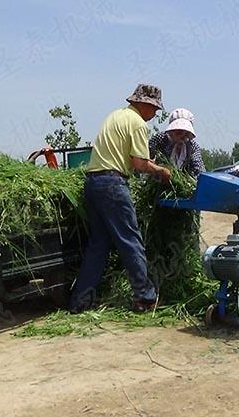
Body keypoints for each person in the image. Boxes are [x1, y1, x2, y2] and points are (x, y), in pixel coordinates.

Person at [70, 84, 171, 313]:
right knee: (130, 240)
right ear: (145, 104)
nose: (154, 114)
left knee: (99, 244)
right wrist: (161, 171)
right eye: (154, 109)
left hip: (93, 183)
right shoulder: (137, 124)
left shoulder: (115, 116)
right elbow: (139, 164)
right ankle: (145, 297)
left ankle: (80, 301)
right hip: (112, 184)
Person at [149, 108, 206, 177]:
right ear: (171, 131)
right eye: (178, 132)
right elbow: (144, 158)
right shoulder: (160, 139)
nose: (182, 136)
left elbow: (199, 170)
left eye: (186, 133)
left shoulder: (192, 147)